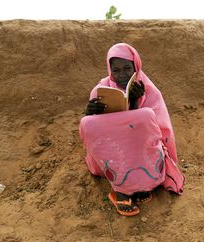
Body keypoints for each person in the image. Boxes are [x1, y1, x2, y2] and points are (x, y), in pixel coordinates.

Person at [79, 43, 185, 216]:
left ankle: (142, 182)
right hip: (115, 153)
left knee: (145, 116)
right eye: (116, 70)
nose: (121, 76)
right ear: (109, 70)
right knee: (86, 123)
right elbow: (97, 134)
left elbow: (154, 130)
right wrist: (90, 113)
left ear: (136, 67)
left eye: (127, 68)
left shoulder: (149, 91)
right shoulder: (100, 89)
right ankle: (120, 189)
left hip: (139, 151)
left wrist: (135, 103)